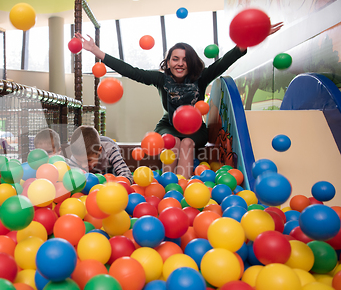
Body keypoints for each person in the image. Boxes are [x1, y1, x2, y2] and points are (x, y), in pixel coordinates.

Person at [75, 23, 283, 178]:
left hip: (195, 129)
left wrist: (248, 42)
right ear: (168, 61)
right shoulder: (161, 79)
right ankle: (168, 186)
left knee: (188, 143)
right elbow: (131, 71)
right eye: (175, 59)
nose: (180, 63)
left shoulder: (200, 78)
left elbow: (224, 63)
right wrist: (97, 52)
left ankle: (182, 186)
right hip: (169, 126)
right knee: (172, 143)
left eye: (185, 59)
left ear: (191, 62)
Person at [68, 125, 133, 184]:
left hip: (109, 166)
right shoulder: (76, 156)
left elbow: (127, 176)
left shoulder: (110, 151)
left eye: (89, 160)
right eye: (79, 161)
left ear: (99, 151)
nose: (84, 165)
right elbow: (71, 180)